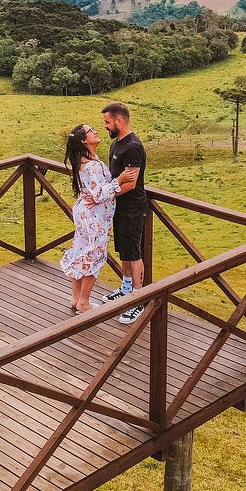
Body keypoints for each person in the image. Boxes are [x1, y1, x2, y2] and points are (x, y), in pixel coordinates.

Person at [60, 124, 138, 313]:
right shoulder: (92, 165)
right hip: (94, 217)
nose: (96, 131)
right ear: (84, 140)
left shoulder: (85, 159)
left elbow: (93, 192)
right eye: (91, 131)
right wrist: (120, 180)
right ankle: (84, 303)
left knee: (80, 250)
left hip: (84, 213)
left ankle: (76, 298)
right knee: (94, 254)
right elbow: (98, 194)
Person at [99, 101, 148, 324]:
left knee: (134, 253)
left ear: (119, 121)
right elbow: (117, 178)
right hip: (119, 207)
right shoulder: (116, 145)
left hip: (132, 208)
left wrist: (105, 194)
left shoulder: (133, 147)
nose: (106, 127)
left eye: (108, 122)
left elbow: (130, 182)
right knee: (124, 251)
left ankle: (138, 300)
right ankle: (126, 288)